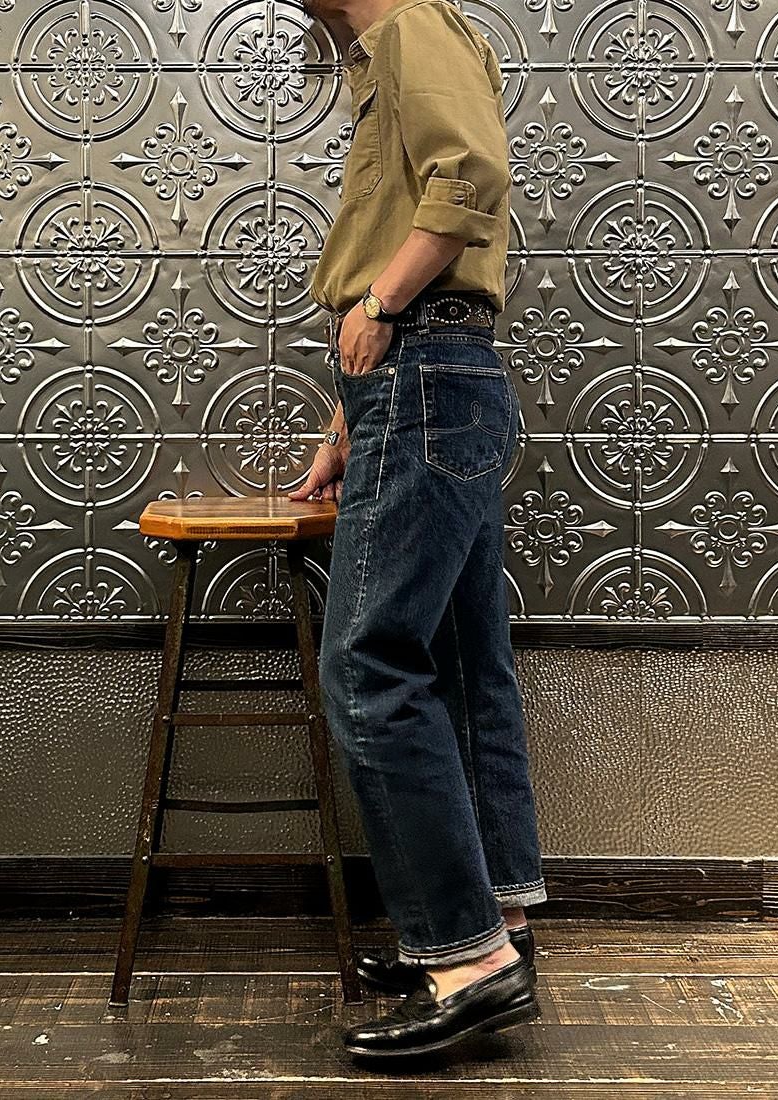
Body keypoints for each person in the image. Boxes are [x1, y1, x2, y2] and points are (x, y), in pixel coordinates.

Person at [288, 0, 546, 1061]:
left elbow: (469, 176)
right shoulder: (389, 51)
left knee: (368, 666)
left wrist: (381, 308)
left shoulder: (410, 29)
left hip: (426, 373)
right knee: (460, 662)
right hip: (432, 378)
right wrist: (348, 419)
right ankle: (497, 918)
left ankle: (467, 960)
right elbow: (422, 222)